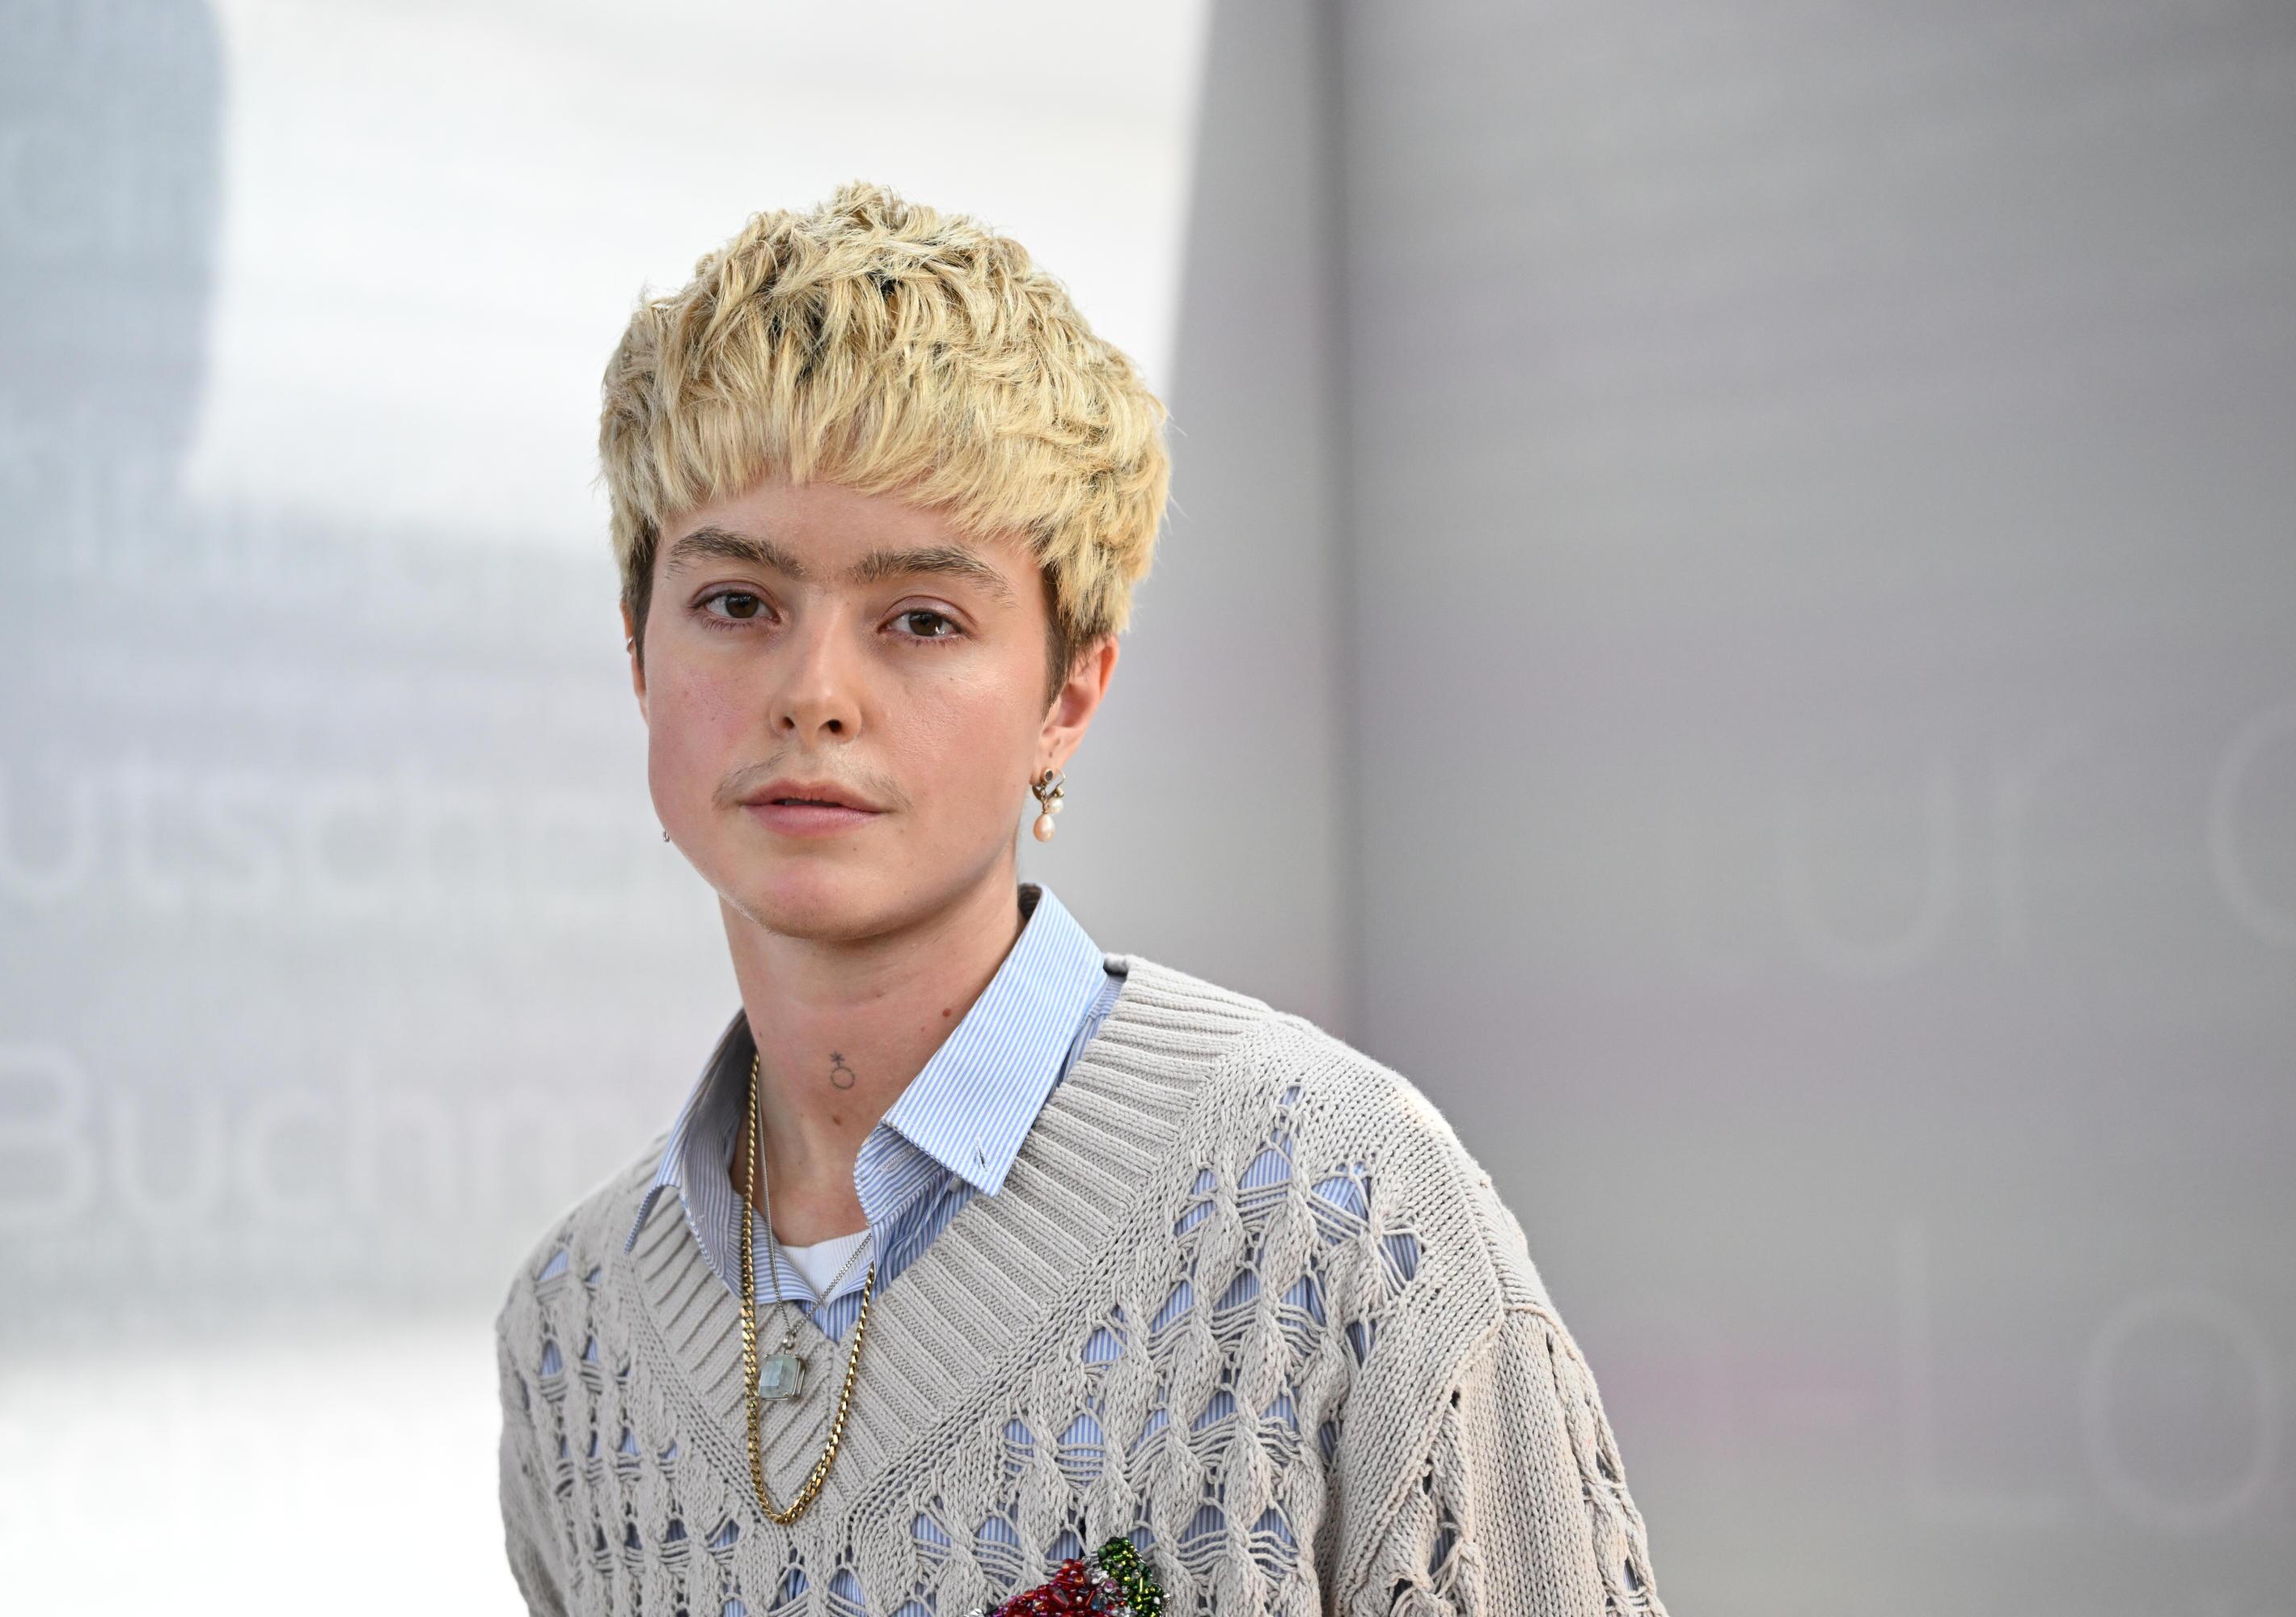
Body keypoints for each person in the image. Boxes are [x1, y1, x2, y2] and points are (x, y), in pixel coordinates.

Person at [494, 179, 1668, 1617]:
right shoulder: (571, 1329)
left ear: (1069, 696)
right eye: (738, 603)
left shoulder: (1343, 1209)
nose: (813, 695)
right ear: (638, 654)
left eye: (921, 620)